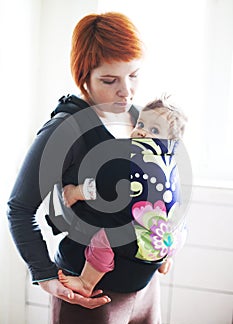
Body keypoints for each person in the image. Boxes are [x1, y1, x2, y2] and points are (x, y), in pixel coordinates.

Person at [7, 12, 180, 324]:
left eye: (133, 74)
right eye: (110, 80)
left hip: (146, 290)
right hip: (93, 293)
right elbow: (19, 207)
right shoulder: (65, 130)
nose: (126, 91)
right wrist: (44, 276)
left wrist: (165, 244)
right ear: (84, 78)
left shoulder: (140, 119)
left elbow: (160, 185)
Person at [58, 95, 187, 297]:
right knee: (176, 225)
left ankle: (86, 282)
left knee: (104, 239)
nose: (142, 132)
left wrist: (75, 192)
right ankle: (164, 261)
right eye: (141, 124)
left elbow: (103, 187)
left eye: (154, 130)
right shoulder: (172, 164)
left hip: (143, 237)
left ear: (171, 141)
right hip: (169, 238)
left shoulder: (132, 157)